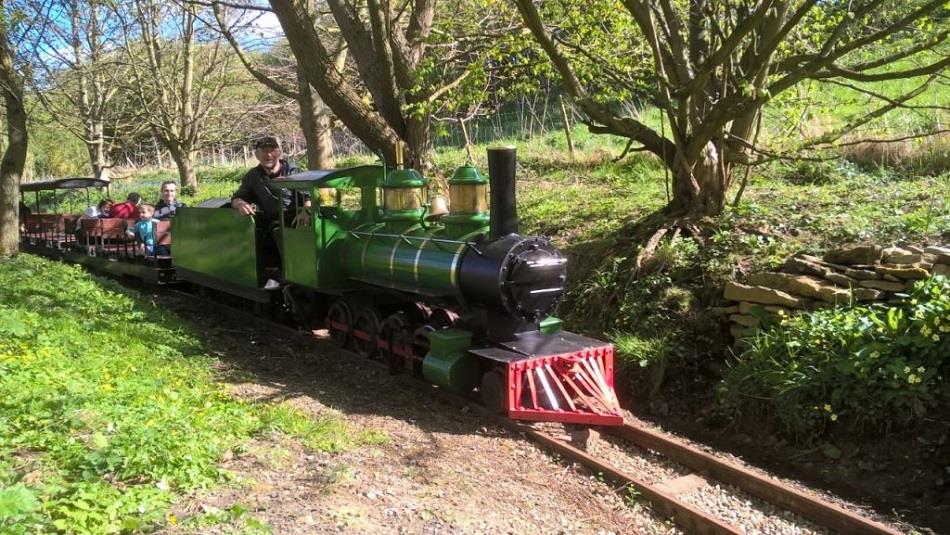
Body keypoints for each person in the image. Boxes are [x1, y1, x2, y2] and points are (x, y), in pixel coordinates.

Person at [231, 136, 309, 251]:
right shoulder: (253, 176)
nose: (268, 155)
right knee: (279, 233)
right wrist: (241, 204)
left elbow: (309, 195)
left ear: (278, 153)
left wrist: (306, 211)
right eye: (264, 152)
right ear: (257, 155)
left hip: (298, 217)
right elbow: (237, 198)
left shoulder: (293, 171)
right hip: (273, 222)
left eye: (272, 151)